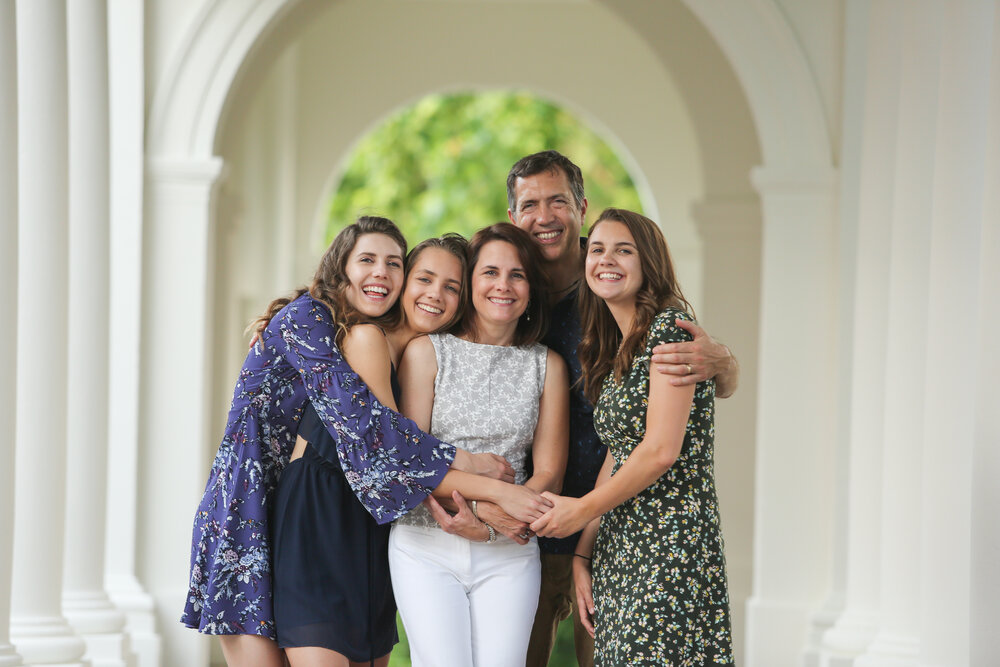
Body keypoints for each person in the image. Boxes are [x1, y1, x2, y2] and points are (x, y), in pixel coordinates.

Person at [181, 218, 544, 667]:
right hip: (275, 512)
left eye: (451, 286)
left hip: (367, 527)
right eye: (423, 278)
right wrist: (487, 479)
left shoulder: (422, 355)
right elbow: (385, 450)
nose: (434, 293)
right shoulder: (354, 334)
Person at [505, 151, 739, 666]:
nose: (544, 216)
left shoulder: (651, 324)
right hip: (552, 528)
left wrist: (725, 362)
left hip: (649, 532)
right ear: (513, 216)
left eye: (558, 201)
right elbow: (627, 440)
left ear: (580, 208)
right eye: (530, 204)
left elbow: (659, 447)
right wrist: (586, 541)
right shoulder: (504, 287)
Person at [389, 223, 570, 666]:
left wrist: (493, 523)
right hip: (424, 543)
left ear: (531, 289)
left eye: (517, 275)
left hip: (511, 550)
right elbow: (414, 465)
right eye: (489, 272)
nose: (502, 286)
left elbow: (548, 472)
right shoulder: (427, 352)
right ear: (470, 283)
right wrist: (485, 505)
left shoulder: (548, 365)